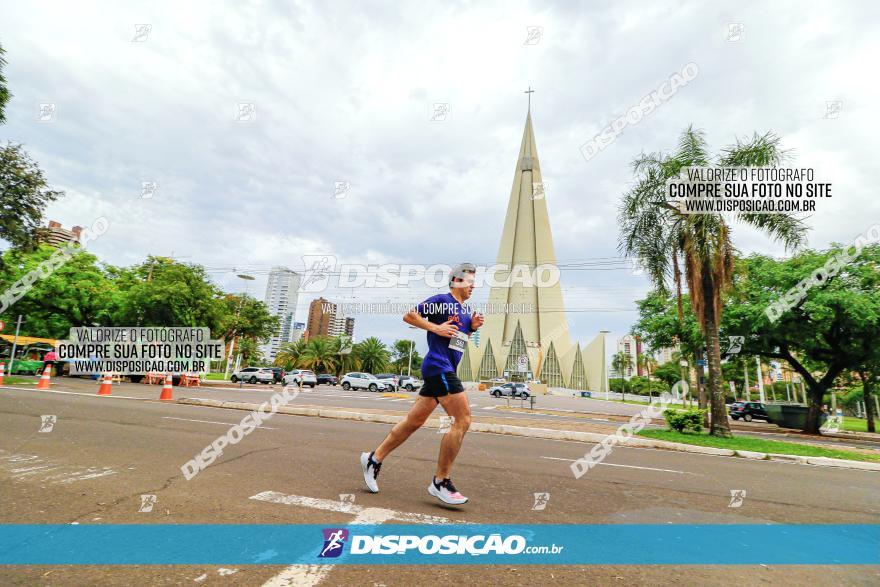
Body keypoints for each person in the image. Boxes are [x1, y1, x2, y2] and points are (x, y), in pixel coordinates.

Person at [360, 263, 483, 505]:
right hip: (439, 368)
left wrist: (472, 328)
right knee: (462, 420)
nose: (473, 286)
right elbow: (410, 316)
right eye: (470, 282)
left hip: (443, 367)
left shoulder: (466, 312)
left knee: (414, 421)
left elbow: (457, 340)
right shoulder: (441, 300)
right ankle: (441, 481)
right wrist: (435, 327)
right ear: (456, 281)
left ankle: (374, 458)